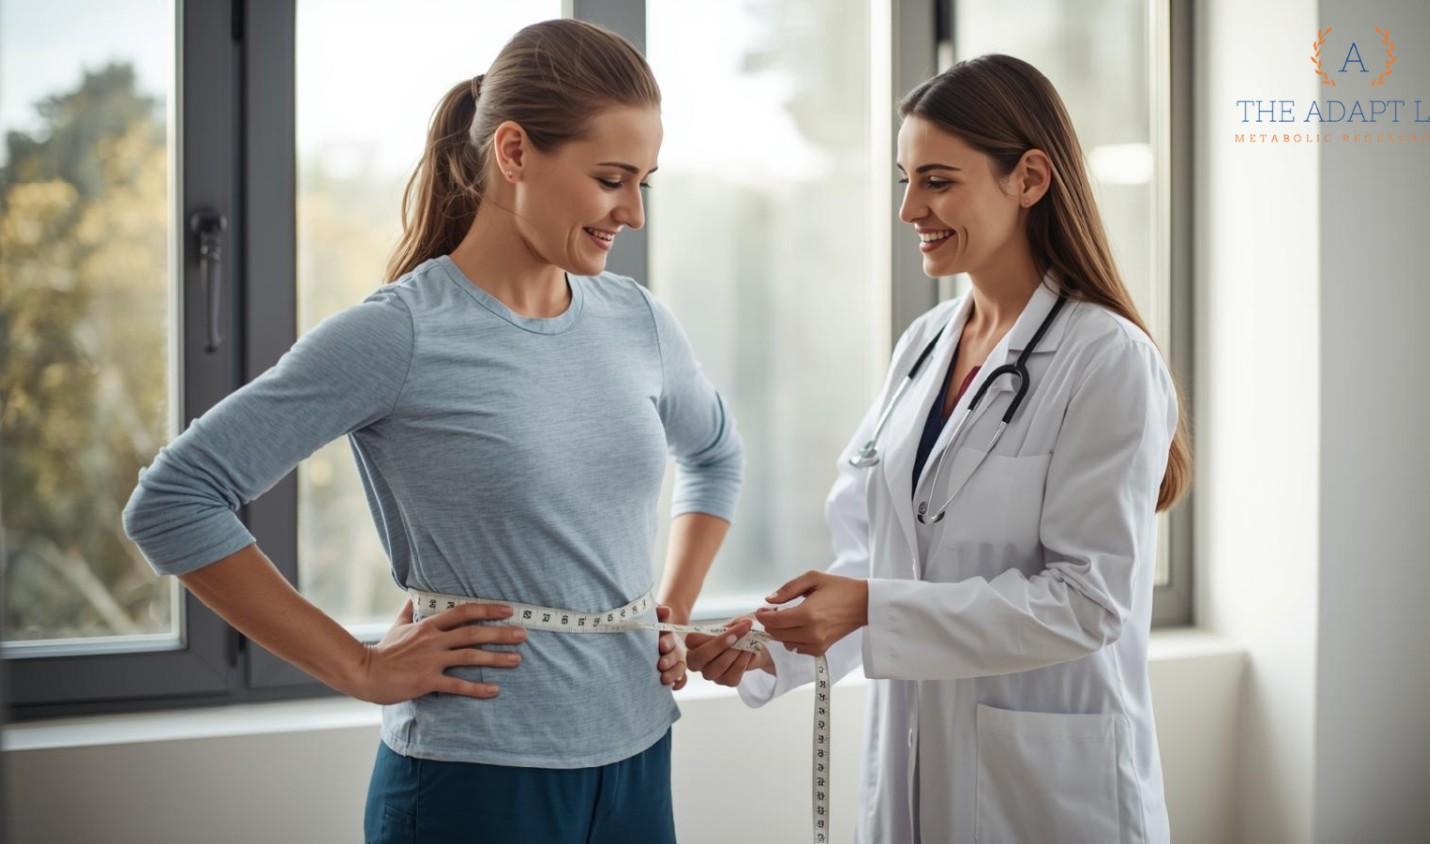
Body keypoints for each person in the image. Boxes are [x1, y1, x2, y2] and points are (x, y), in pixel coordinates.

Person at [122, 19, 741, 843]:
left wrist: (670, 609)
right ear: (514, 153)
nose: (630, 211)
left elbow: (715, 456)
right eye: (609, 179)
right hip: (475, 779)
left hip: (639, 757)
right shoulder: (400, 335)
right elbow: (174, 501)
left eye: (644, 184)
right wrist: (359, 664)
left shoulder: (636, 320)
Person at [685, 54, 1191, 843]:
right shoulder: (924, 344)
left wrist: (869, 607)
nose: (909, 209)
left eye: (939, 181)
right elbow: (875, 557)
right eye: (905, 180)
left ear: (1028, 179)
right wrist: (771, 647)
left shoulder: (1108, 358)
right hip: (914, 771)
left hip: (1049, 794)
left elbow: (1090, 601)